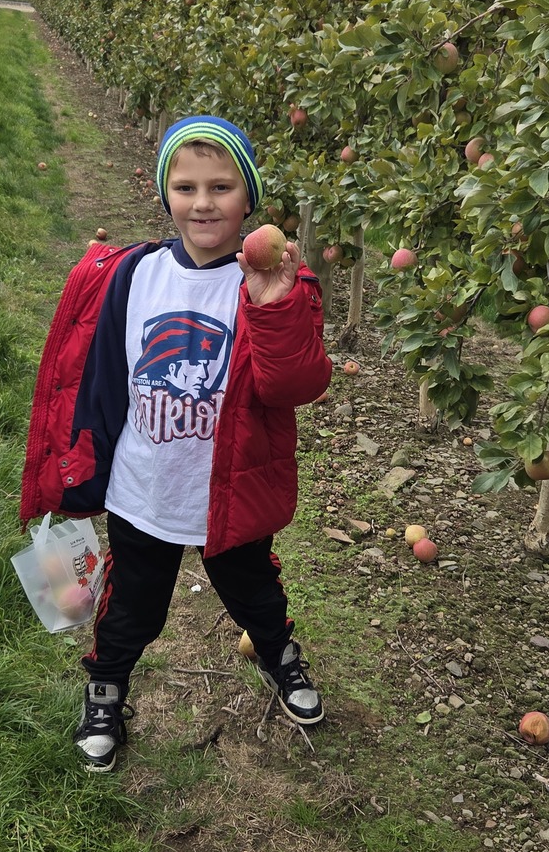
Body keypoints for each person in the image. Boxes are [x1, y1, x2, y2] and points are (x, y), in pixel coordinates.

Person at [19, 115, 332, 771]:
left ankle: (280, 657)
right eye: (186, 187)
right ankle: (105, 690)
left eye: (222, 187)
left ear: (249, 199)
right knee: (130, 605)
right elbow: (102, 380)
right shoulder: (134, 276)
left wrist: (275, 306)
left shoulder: (274, 282)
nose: (204, 202)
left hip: (230, 491)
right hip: (144, 490)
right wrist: (83, 472)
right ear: (167, 196)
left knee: (256, 594)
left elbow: (297, 385)